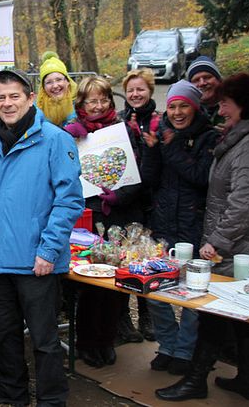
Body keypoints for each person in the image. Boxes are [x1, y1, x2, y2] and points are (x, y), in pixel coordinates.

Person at [0, 68, 83, 407]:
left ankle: (51, 399)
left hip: (36, 263)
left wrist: (48, 251)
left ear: (30, 98)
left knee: (44, 340)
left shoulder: (55, 141)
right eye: (1, 97)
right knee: (4, 335)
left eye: (14, 96)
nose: (7, 103)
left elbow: (69, 201)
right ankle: (12, 393)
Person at [156, 73, 249, 402]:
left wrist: (217, 241)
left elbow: (244, 204)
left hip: (243, 247)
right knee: (242, 315)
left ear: (243, 104)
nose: (220, 110)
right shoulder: (247, 136)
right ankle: (248, 381)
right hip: (243, 243)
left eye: (225, 103)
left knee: (215, 312)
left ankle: (195, 380)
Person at [63, 76, 143, 369]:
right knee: (89, 283)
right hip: (86, 219)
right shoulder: (71, 133)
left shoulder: (124, 131)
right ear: (81, 104)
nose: (98, 106)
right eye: (91, 101)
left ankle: (107, 340)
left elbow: (137, 173)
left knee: (115, 283)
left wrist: (118, 197)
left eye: (103, 100)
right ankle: (86, 342)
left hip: (117, 217)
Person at [140, 80, 218, 376]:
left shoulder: (208, 137)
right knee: (156, 288)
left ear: (195, 107)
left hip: (193, 225)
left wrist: (169, 147)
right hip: (163, 223)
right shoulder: (163, 136)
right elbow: (150, 180)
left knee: (192, 295)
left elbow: (199, 176)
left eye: (184, 105)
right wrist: (151, 151)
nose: (177, 112)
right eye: (172, 106)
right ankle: (168, 345)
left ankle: (185, 352)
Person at [115, 68, 160, 344]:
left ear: (150, 90)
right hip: (126, 204)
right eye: (131, 90)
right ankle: (124, 320)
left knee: (147, 261)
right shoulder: (119, 123)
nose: (135, 94)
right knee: (123, 261)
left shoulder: (160, 122)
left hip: (151, 202)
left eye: (140, 89)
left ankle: (148, 315)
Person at [36, 51, 78, 128]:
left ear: (67, 81)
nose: (55, 86)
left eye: (59, 80)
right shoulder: (37, 108)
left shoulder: (79, 103)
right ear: (43, 87)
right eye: (49, 82)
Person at [187, 56, 224, 130]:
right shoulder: (186, 113)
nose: (202, 83)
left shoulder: (234, 109)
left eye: (207, 77)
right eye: (196, 80)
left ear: (219, 80)